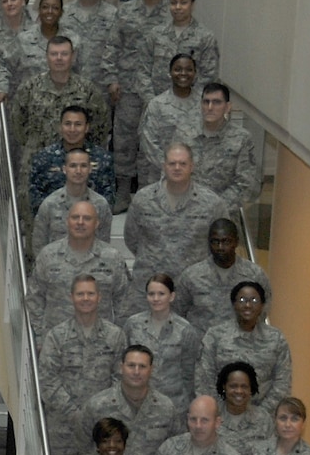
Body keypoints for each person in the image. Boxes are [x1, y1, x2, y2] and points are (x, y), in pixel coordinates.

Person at [38, 274, 126, 455]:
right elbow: (47, 380)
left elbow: (120, 379)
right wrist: (75, 413)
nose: (85, 298)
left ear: (99, 297)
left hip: (100, 430)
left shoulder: (115, 336)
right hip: (61, 428)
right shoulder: (56, 336)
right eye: (80, 294)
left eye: (90, 293)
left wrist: (97, 412)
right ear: (71, 297)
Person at [124, 144, 228, 317]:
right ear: (164, 165)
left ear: (192, 166)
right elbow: (132, 238)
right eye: (172, 163)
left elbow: (220, 245)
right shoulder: (143, 199)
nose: (177, 168)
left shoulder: (212, 204)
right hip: (149, 289)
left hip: (192, 291)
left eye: (182, 163)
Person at [112, 0, 170, 204]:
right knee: (124, 140)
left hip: (161, 91)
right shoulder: (126, 10)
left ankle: (149, 195)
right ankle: (123, 191)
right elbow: (112, 45)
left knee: (155, 143)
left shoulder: (172, 12)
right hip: (128, 87)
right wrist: (112, 78)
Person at [28, 200, 128, 340]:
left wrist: (117, 339)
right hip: (56, 347)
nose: (80, 222)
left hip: (102, 347)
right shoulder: (48, 256)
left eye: (87, 218)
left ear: (97, 223)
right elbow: (34, 299)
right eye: (75, 217)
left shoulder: (112, 258)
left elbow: (123, 303)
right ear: (67, 221)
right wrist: (39, 337)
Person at [196, 280, 293, 413]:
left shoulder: (276, 339)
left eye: (254, 300)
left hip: (264, 418)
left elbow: (282, 384)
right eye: (241, 300)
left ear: (262, 305)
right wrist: (221, 411)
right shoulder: (215, 336)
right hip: (220, 416)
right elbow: (204, 380)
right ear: (234, 304)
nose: (247, 305)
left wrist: (260, 415)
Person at [7, 36, 111, 159]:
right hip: (37, 162)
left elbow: (101, 125)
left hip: (75, 164)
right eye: (54, 54)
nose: (59, 58)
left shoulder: (87, 90)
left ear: (72, 57)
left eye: (64, 54)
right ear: (46, 57)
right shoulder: (30, 87)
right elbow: (17, 124)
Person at [81, 343, 180, 455]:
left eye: (142, 366)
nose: (136, 372)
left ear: (151, 369)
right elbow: (83, 448)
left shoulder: (166, 408)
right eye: (131, 365)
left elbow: (174, 453)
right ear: (121, 367)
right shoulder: (98, 405)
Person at [123, 273, 203, 412]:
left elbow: (190, 373)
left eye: (161, 294)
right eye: (151, 294)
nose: (156, 299)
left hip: (174, 405)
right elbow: (124, 364)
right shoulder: (133, 324)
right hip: (138, 403)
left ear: (171, 296)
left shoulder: (185, 330)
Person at [175, 218, 272, 333]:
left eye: (226, 241)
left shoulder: (254, 275)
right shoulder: (192, 276)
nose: (220, 247)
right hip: (201, 346)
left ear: (236, 242)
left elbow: (263, 308)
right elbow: (178, 312)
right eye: (215, 242)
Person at [175, 82, 261, 208]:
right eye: (206, 102)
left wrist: (214, 206)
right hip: (185, 209)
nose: (210, 107)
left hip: (222, 213)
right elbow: (170, 170)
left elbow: (244, 183)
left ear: (227, 107)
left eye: (216, 102)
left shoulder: (241, 139)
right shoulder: (184, 133)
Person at [28, 104, 116, 211]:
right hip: (54, 221)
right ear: (60, 126)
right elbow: (35, 198)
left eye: (78, 124)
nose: (72, 129)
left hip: (90, 221)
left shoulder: (103, 158)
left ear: (86, 127)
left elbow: (108, 199)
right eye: (68, 124)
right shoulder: (43, 158)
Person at [138, 54, 202, 186]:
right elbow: (149, 143)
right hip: (161, 177)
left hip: (198, 178)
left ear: (195, 73)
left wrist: (192, 167)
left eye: (189, 69)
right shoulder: (157, 104)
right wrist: (173, 167)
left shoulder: (206, 103)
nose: (183, 73)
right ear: (170, 73)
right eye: (178, 69)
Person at [31, 151, 114, 252]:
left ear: (90, 169)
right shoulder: (49, 204)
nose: (78, 171)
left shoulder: (101, 205)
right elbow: (39, 246)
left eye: (83, 166)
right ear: (64, 169)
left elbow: (104, 245)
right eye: (73, 166)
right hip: (56, 265)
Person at [149, 0, 220, 97]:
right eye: (173, 3)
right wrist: (152, 101)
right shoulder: (156, 34)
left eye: (183, 3)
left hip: (191, 107)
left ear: (192, 4)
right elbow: (143, 70)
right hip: (157, 103)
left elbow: (209, 76)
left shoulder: (205, 37)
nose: (178, 7)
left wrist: (191, 103)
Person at [62, 0, 119, 89]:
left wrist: (112, 81)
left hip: (101, 84)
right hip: (69, 83)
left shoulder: (113, 14)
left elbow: (115, 49)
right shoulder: (64, 13)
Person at [215, 361, 274, 455]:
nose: (239, 391)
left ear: (251, 389)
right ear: (224, 387)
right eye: (233, 386)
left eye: (244, 386)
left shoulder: (263, 419)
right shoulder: (211, 417)